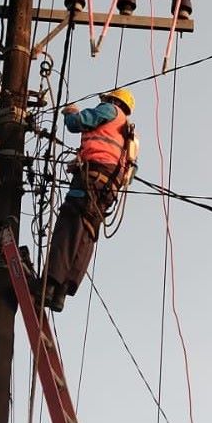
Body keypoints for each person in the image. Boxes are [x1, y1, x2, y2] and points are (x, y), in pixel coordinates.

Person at [38, 87, 138, 312]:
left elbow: (78, 123)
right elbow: (130, 172)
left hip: (90, 180)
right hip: (108, 190)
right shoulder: (130, 136)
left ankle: (49, 285)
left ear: (113, 100)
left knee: (70, 224)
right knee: (87, 233)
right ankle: (61, 293)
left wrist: (70, 112)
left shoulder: (110, 110)